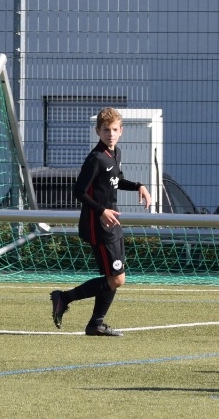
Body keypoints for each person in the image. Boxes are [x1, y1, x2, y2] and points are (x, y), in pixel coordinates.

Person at [50, 107, 152, 335]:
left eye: (114, 130)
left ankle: (95, 324)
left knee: (116, 278)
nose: (110, 134)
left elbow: (116, 180)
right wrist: (101, 211)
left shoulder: (115, 153)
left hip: (112, 223)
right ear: (98, 131)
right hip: (98, 226)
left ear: (121, 131)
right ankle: (65, 298)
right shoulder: (95, 158)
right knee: (116, 279)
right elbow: (78, 191)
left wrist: (139, 186)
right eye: (106, 130)